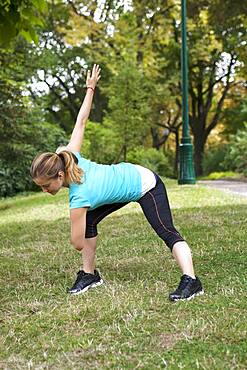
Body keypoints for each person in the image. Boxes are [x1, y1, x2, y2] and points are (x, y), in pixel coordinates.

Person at [30, 64, 204, 301]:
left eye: (45, 185)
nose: (44, 190)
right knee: (90, 219)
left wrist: (75, 217)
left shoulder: (79, 197)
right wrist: (90, 88)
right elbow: (81, 122)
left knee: (166, 231)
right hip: (124, 182)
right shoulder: (69, 156)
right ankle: (89, 275)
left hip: (145, 183)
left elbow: (77, 243)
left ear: (60, 176)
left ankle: (192, 281)